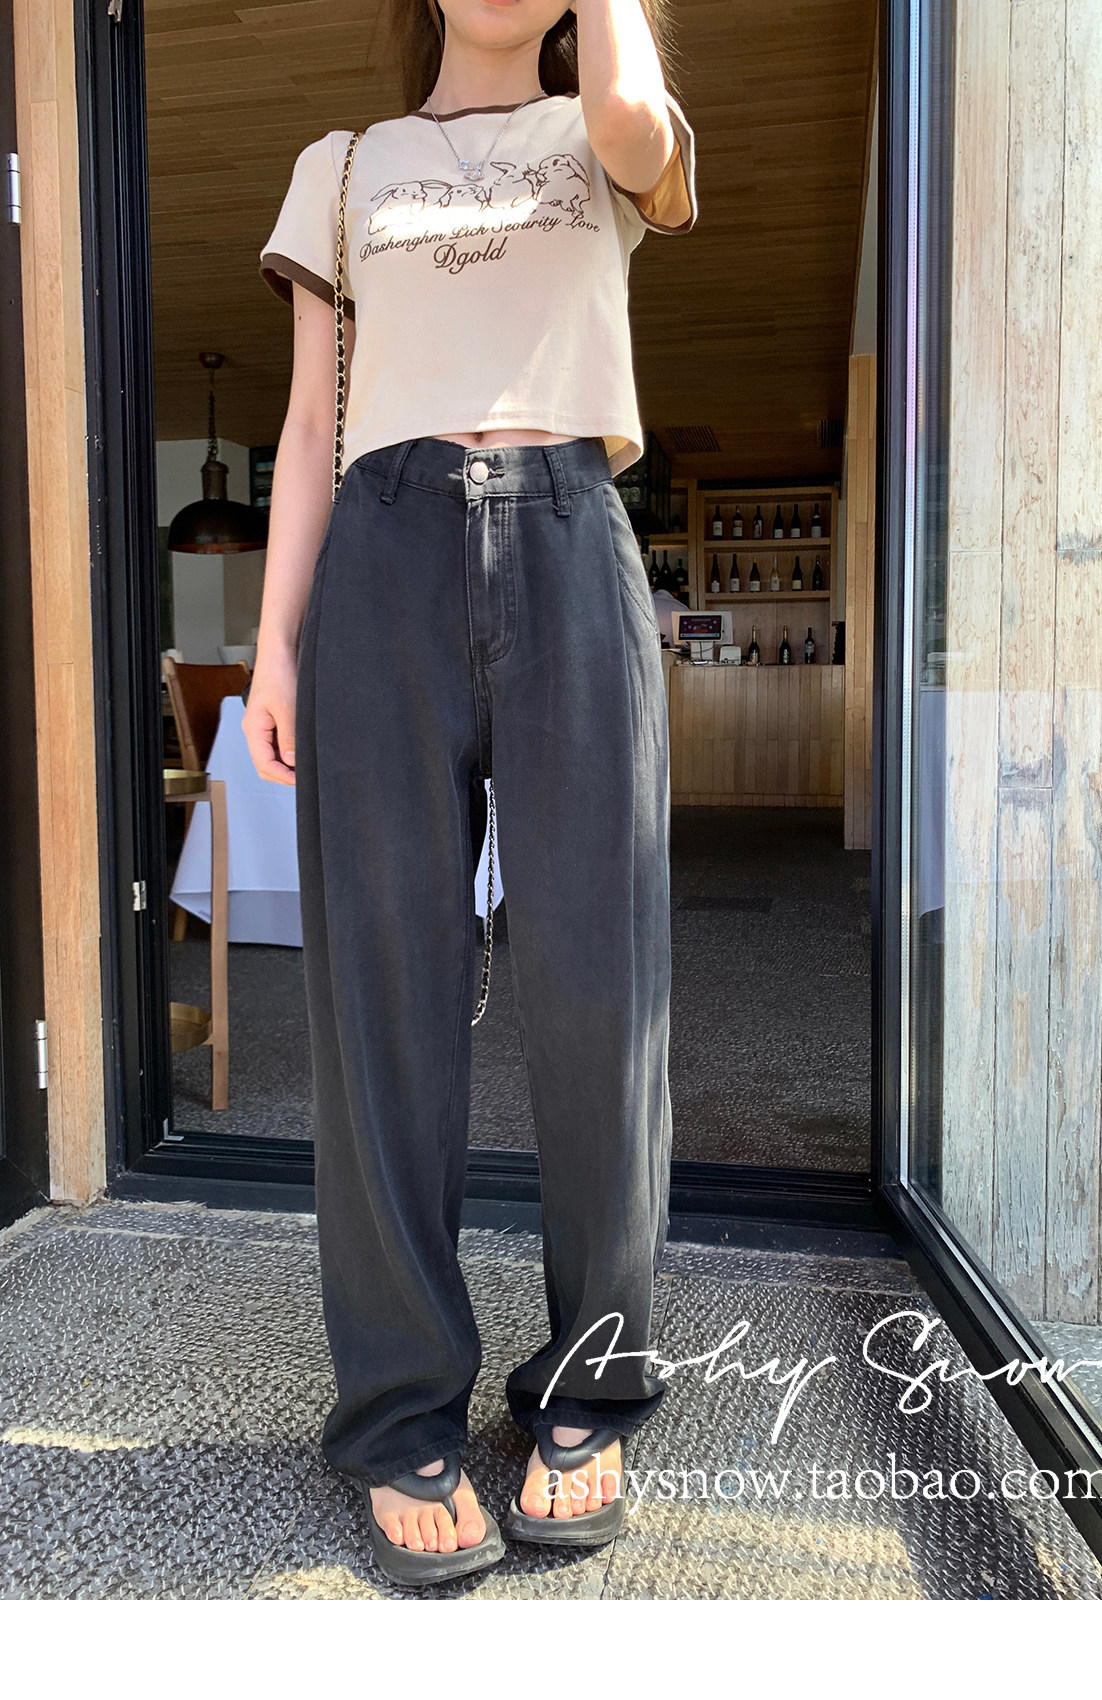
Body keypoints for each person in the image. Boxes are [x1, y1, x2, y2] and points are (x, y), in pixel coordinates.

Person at [243, 0, 696, 1586]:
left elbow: (636, 122)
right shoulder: (341, 166)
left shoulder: (608, 130)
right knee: (384, 1001)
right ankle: (398, 1410)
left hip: (572, 541)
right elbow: (312, 421)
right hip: (384, 549)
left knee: (601, 993)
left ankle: (593, 1384)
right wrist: (275, 644)